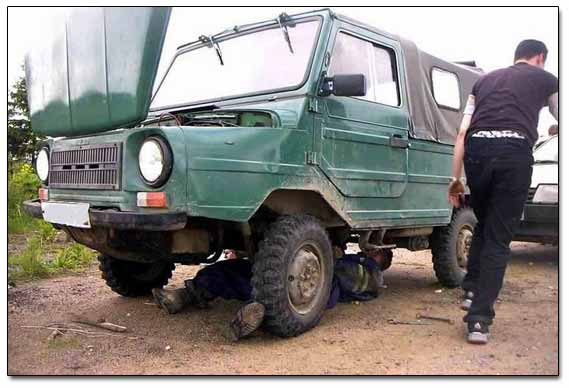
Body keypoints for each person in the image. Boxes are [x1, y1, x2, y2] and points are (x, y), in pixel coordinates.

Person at [447, 39, 558, 344]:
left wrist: (455, 178)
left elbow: (461, 132)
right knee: (499, 237)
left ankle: (470, 289)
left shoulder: (483, 82)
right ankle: (479, 320)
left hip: (477, 152)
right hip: (513, 153)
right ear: (540, 57)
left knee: (485, 224)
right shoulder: (546, 79)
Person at [152, 248, 390, 340]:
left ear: (380, 259)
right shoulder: (359, 260)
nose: (370, 249)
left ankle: (253, 321)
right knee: (237, 272)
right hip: (291, 267)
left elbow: (345, 278)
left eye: (376, 251)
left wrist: (336, 258)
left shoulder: (372, 274)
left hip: (325, 286)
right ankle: (184, 295)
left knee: (289, 301)